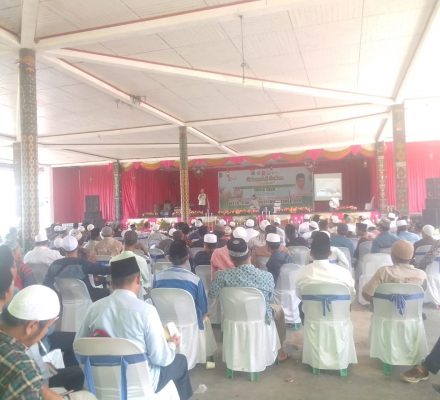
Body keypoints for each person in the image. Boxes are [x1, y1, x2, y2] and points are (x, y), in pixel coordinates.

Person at [76, 257, 193, 399]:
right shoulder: (146, 311)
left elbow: (79, 347)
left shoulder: (94, 309)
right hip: (142, 384)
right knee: (180, 361)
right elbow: (161, 359)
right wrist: (172, 344)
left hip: (100, 382)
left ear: (111, 282)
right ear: (138, 279)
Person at [209, 238, 288, 361]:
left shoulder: (221, 276)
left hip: (233, 317)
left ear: (231, 259)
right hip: (260, 317)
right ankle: (279, 352)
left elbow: (212, 294)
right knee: (279, 311)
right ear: (249, 254)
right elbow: (269, 299)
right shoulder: (266, 276)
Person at [0, 285, 73, 399]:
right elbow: (25, 379)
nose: (46, 332)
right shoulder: (23, 370)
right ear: (32, 326)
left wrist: (39, 388)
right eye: (47, 327)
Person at [154, 241, 208, 330]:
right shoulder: (195, 281)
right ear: (187, 256)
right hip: (190, 326)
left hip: (165, 326)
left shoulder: (157, 278)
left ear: (169, 258)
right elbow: (203, 309)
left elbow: (154, 302)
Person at [44, 236, 110, 302]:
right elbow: (104, 270)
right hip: (89, 297)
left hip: (65, 301)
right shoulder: (82, 264)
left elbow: (46, 284)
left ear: (62, 249)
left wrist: (59, 295)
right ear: (77, 247)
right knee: (108, 292)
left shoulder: (54, 265)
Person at [362, 240, 426, 302]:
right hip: (412, 309)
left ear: (392, 256)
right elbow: (423, 295)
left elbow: (367, 295)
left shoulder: (384, 272)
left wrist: (383, 300)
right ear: (411, 256)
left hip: (384, 309)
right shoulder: (422, 274)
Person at [295, 232, 355, 297]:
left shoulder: (301, 274)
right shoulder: (344, 274)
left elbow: (299, 296)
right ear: (330, 253)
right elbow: (352, 295)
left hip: (311, 304)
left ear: (311, 253)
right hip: (339, 303)